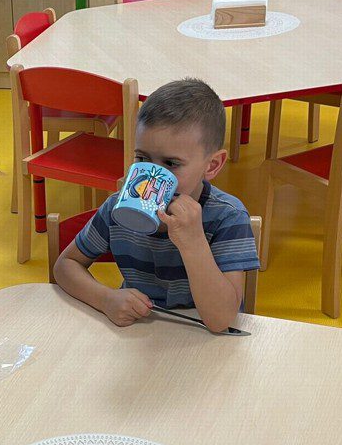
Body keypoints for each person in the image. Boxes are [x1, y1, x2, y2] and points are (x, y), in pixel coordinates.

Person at [53, 79, 259, 333]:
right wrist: (105, 298)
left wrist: (194, 242)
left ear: (212, 165)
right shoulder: (118, 208)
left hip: (201, 335)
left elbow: (221, 320)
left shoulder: (228, 217)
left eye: (171, 163)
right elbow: (65, 265)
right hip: (138, 329)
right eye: (142, 158)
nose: (152, 177)